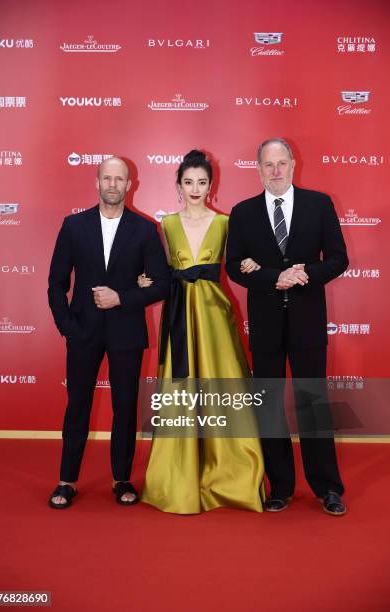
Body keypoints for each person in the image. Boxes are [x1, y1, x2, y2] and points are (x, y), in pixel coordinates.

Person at [226, 138, 349, 516]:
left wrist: (304, 275)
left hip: (307, 321)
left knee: (313, 403)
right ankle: (279, 485)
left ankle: (327, 487)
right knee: (268, 406)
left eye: (281, 163)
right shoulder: (243, 212)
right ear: (258, 168)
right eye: (268, 164)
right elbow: (233, 266)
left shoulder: (319, 204)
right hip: (264, 324)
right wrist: (272, 278)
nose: (275, 171)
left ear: (293, 164)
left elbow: (339, 259)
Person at [139, 150, 265, 514]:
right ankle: (175, 478)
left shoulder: (226, 223)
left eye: (203, 182)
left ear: (212, 185)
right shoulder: (166, 226)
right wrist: (144, 279)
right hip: (179, 312)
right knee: (181, 390)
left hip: (213, 313)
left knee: (224, 385)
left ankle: (232, 476)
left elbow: (245, 257)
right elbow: (159, 271)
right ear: (178, 185)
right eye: (189, 182)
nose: (196, 189)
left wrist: (253, 262)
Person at [47, 156, 170, 509]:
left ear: (130, 185)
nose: (113, 185)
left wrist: (122, 298)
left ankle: (122, 479)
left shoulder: (146, 229)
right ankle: (66, 480)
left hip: (127, 331)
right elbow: (56, 284)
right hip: (82, 331)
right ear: (97, 182)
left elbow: (161, 284)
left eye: (120, 179)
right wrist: (67, 327)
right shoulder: (74, 226)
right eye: (107, 178)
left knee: (125, 407)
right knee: (78, 406)